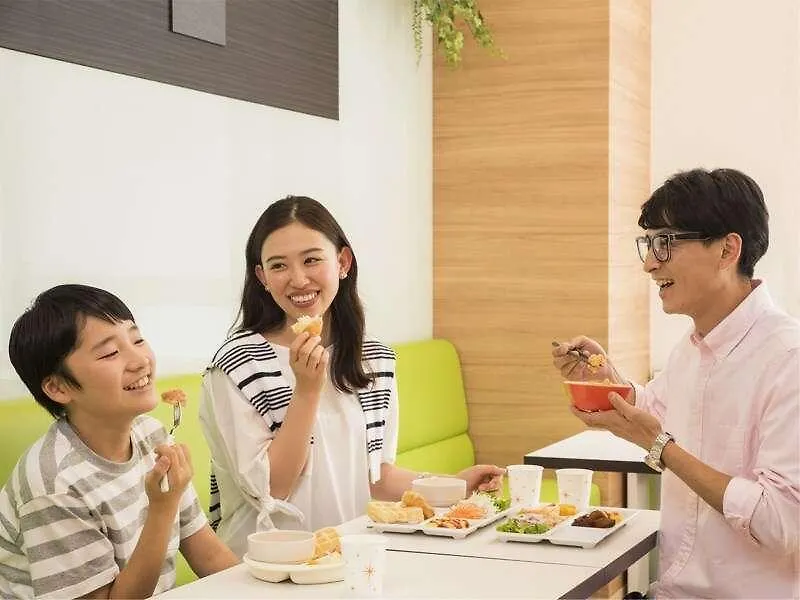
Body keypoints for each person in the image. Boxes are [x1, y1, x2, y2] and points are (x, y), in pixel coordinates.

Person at [200, 195, 505, 557]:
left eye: (311, 259)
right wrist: (307, 391)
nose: (298, 279)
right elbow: (273, 489)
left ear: (342, 262)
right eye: (278, 265)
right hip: (265, 566)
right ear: (262, 277)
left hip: (348, 559)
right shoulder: (236, 365)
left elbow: (376, 477)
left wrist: (454, 486)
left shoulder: (373, 358)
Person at [553, 168, 799, 599]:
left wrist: (662, 449)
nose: (650, 264)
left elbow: (782, 524)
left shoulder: (788, 359)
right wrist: (609, 380)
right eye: (648, 244)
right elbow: (657, 409)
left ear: (727, 249)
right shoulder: (692, 348)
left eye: (665, 243)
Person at [0, 284, 239, 599]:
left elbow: (208, 555)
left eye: (137, 340)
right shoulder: (54, 485)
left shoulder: (152, 435)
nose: (140, 360)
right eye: (110, 353)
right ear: (58, 388)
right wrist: (162, 508)